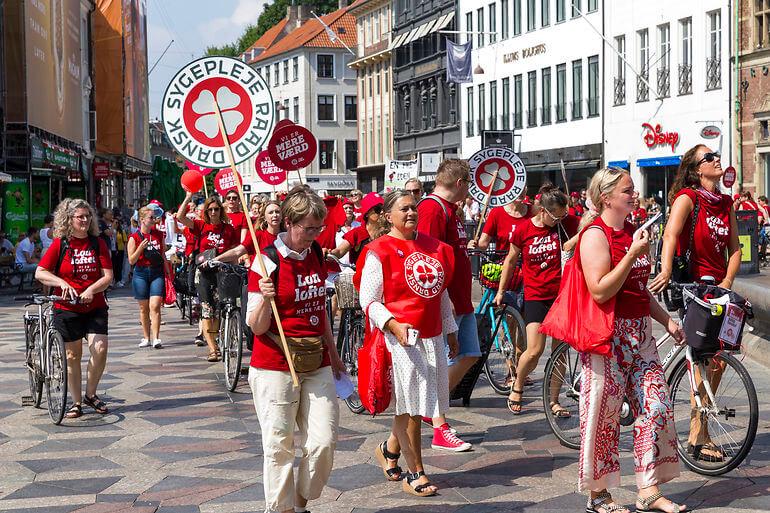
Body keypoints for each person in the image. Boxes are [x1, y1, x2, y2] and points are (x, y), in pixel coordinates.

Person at [576, 167, 687, 513]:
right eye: (627, 190)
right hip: (607, 336)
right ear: (606, 197)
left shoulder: (632, 234)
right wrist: (630, 256)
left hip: (640, 335)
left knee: (655, 406)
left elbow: (639, 291)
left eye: (633, 190)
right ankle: (599, 494)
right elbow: (599, 290)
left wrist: (666, 320)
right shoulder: (595, 236)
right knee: (604, 416)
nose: (634, 195)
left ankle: (647, 490)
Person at [246, 185, 345, 513]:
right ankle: (282, 510)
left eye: (320, 227)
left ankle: (301, 500)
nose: (315, 234)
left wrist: (333, 352)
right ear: (288, 222)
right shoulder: (266, 260)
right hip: (274, 363)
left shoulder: (317, 254)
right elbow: (256, 326)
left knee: (324, 442)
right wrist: (266, 298)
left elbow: (321, 312)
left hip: (316, 360)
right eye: (309, 228)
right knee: (279, 446)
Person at [358, 190, 458, 497]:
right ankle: (416, 472)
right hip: (400, 339)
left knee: (412, 405)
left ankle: (389, 451)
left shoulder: (434, 248)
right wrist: (392, 324)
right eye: (404, 208)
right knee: (413, 408)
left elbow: (439, 292)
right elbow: (369, 300)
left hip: (431, 336)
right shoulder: (379, 250)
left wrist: (451, 330)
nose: (412, 212)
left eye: (414, 207)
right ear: (389, 216)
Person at [649, 145, 741, 465]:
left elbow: (735, 249)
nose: (717, 159)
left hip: (718, 290)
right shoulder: (688, 198)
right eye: (709, 157)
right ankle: (698, 435)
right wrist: (663, 270)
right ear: (696, 168)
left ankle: (699, 431)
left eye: (716, 155)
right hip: (692, 287)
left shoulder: (725, 202)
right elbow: (670, 236)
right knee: (702, 357)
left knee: (718, 361)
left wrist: (727, 283)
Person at [493, 184, 578, 415]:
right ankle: (518, 383)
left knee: (560, 351)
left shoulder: (566, 224)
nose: (560, 220)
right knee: (534, 350)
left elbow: (589, 224)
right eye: (556, 216)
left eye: (563, 215)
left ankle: (554, 401)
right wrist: (501, 291)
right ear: (543, 211)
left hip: (561, 296)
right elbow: (510, 260)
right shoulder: (523, 230)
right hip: (536, 296)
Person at [416, 158, 478, 452]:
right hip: (448, 299)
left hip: (461, 297)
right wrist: (445, 298)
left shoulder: (451, 210)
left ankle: (434, 407)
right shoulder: (432, 208)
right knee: (443, 361)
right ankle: (436, 414)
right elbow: (429, 258)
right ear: (460, 184)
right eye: (469, 185)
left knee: (470, 354)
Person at [35, 198, 113, 419]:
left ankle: (91, 394)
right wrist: (61, 283)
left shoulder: (98, 243)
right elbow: (40, 272)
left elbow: (108, 276)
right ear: (69, 220)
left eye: (88, 216)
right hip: (66, 306)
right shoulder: (61, 244)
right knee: (72, 354)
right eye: (80, 217)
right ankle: (76, 402)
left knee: (100, 349)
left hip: (94, 305)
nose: (85, 220)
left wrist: (92, 289)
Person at [176, 193, 238, 361]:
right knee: (206, 309)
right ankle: (212, 348)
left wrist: (236, 266)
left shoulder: (229, 229)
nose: (213, 213)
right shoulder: (200, 226)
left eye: (216, 209)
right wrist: (188, 197)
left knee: (217, 310)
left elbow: (234, 251)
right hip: (203, 273)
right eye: (210, 210)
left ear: (221, 210)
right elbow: (180, 217)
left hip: (221, 272)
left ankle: (216, 342)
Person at [127, 207, 167, 349]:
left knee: (155, 306)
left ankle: (156, 337)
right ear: (142, 220)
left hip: (157, 272)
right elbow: (131, 260)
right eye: (151, 217)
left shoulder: (159, 234)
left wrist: (168, 274)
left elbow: (163, 255)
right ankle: (146, 337)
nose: (154, 220)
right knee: (144, 308)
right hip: (141, 273)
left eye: (154, 217)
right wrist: (140, 248)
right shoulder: (134, 237)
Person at [330, 192, 383, 266]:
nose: (382, 212)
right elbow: (339, 251)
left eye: (384, 209)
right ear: (367, 213)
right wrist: (328, 254)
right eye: (378, 209)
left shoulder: (388, 231)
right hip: (362, 275)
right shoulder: (357, 233)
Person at [113, 215, 128, 287]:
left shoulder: (122, 231)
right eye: (114, 222)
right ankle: (114, 280)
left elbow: (125, 241)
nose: (115, 224)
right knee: (114, 266)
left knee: (120, 266)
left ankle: (119, 280)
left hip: (120, 250)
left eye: (117, 223)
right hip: (113, 250)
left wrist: (125, 251)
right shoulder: (112, 231)